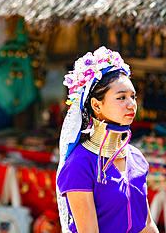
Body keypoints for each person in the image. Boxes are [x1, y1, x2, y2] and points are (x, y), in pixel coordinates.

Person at [56, 46, 159, 233]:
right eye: (121, 97)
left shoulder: (136, 158)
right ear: (96, 105)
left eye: (133, 96)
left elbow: (147, 226)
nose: (132, 104)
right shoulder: (80, 165)